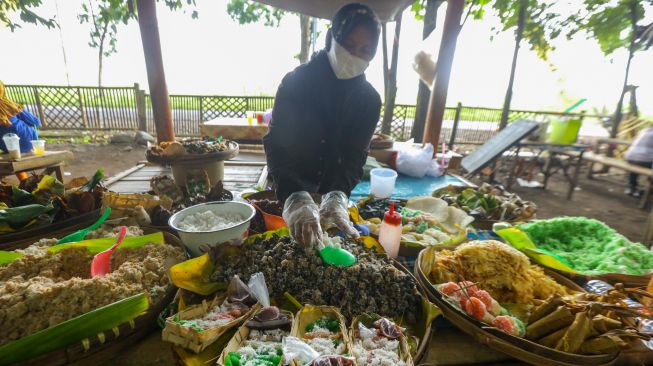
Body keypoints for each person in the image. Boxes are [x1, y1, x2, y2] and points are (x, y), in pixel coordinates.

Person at [263, 3, 382, 247]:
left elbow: (354, 157)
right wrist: (294, 198)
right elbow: (277, 147)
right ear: (332, 37)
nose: (355, 55)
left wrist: (338, 196)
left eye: (365, 50)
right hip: (288, 185)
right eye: (349, 45)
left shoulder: (369, 100)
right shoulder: (296, 83)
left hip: (329, 189)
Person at [624, 127, 653, 197]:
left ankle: (631, 187)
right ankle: (647, 190)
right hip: (645, 160)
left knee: (635, 166)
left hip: (630, 157)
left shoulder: (644, 130)